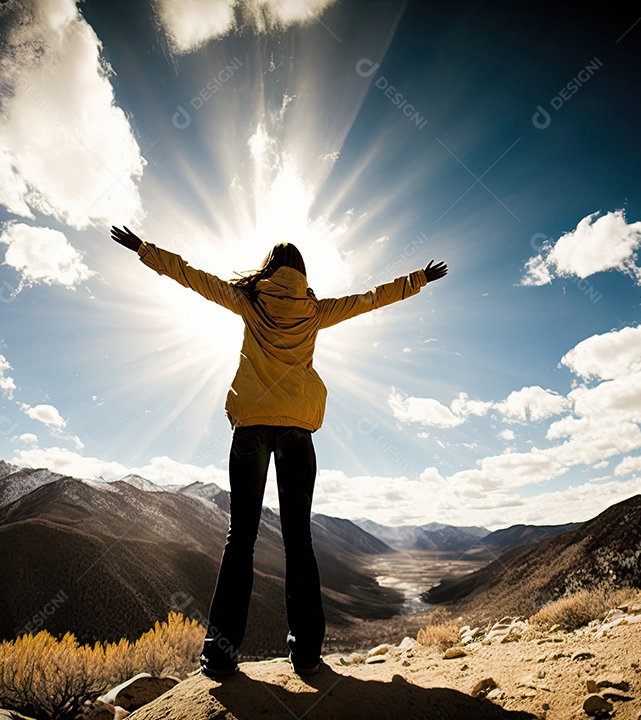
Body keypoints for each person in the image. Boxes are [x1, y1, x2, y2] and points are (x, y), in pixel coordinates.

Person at [110, 225, 448, 679]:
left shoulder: (247, 300)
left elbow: (191, 276)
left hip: (250, 427)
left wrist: (145, 249)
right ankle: (307, 654)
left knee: (240, 538)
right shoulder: (315, 311)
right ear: (302, 273)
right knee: (298, 540)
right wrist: (418, 279)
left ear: (269, 267)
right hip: (296, 431)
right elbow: (371, 298)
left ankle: (220, 655)